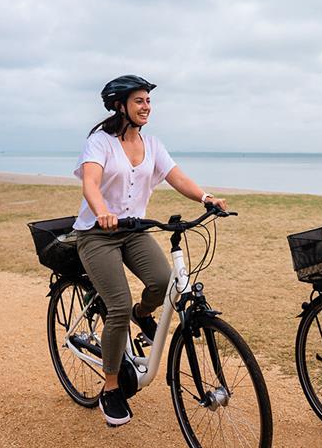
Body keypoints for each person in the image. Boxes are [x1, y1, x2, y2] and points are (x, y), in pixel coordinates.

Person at [72, 74, 227, 427]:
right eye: (139, 101)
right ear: (119, 105)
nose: (147, 107)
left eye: (148, 101)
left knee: (163, 282)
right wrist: (102, 212)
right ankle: (112, 388)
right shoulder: (100, 142)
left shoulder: (152, 145)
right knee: (117, 306)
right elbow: (90, 183)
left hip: (134, 231)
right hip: (98, 234)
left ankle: (142, 315)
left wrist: (206, 197)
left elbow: (177, 176)